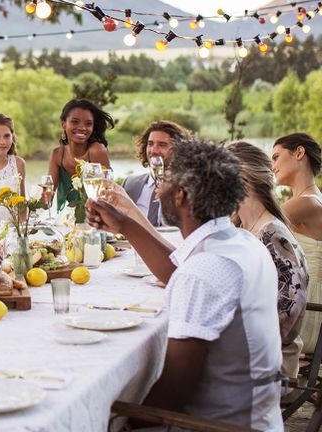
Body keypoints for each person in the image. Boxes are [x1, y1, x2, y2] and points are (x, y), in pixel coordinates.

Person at [86, 140, 282, 429]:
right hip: (260, 417)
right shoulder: (240, 243)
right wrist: (124, 225)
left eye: (164, 179)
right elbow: (177, 271)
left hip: (220, 425)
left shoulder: (206, 270)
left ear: (180, 195)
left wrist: (120, 422)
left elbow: (173, 392)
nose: (157, 188)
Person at [229, 141, 308, 379]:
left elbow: (286, 315)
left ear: (243, 178)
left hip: (271, 362)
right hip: (248, 349)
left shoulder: (272, 234)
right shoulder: (242, 226)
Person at [272, 132, 322, 354]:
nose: (272, 165)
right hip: (300, 299)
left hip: (308, 311)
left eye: (275, 157)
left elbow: (249, 228)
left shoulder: (307, 203)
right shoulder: (308, 200)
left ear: (299, 153)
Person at [47, 98, 114, 213]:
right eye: (75, 122)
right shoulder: (57, 154)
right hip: (64, 222)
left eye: (88, 124)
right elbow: (46, 202)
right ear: (63, 124)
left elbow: (107, 196)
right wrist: (42, 197)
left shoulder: (96, 151)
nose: (82, 128)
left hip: (94, 221)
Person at [122, 120, 191, 227]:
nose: (154, 150)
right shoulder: (130, 184)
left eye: (162, 145)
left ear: (179, 150)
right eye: (150, 144)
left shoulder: (188, 188)